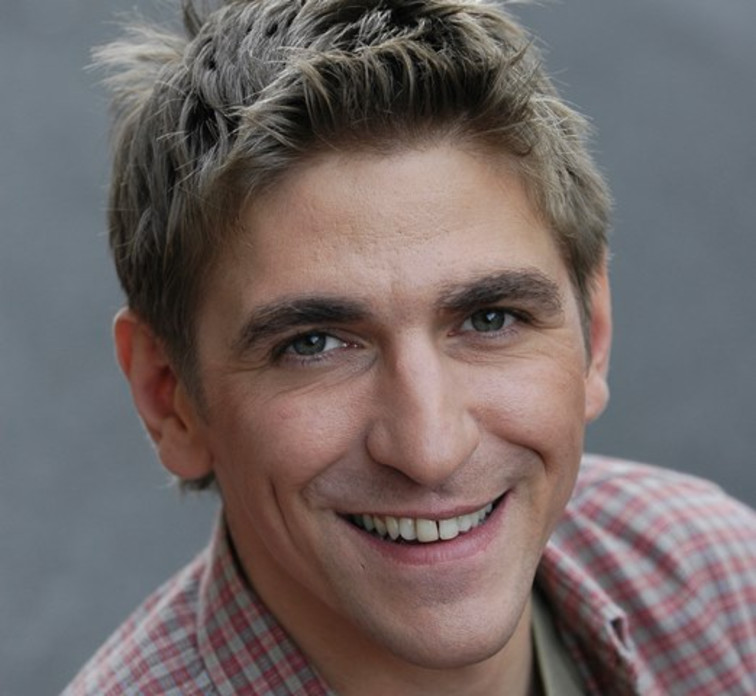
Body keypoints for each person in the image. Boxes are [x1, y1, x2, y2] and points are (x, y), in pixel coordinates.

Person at [63, 0, 756, 694]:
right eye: (314, 344)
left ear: (592, 331)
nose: (430, 451)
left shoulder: (725, 587)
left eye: (490, 319)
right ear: (169, 399)